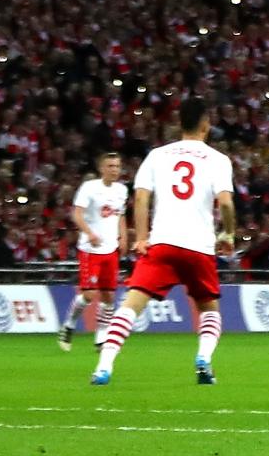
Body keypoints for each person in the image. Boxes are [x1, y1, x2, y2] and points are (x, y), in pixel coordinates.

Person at [89, 98, 235, 387]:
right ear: (206, 124)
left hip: (163, 242)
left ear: (179, 124)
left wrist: (141, 237)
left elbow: (141, 197)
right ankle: (203, 359)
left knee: (130, 306)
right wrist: (228, 234)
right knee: (208, 310)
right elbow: (227, 204)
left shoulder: (157, 155)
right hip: (199, 246)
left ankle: (103, 367)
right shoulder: (218, 160)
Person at [60, 150, 129, 351]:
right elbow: (77, 214)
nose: (114, 170)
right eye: (110, 166)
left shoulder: (121, 190)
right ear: (101, 168)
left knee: (108, 297)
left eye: (117, 166)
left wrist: (123, 236)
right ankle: (69, 325)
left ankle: (101, 336)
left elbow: (120, 215)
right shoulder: (89, 188)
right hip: (91, 249)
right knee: (89, 294)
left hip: (111, 249)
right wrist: (89, 233)